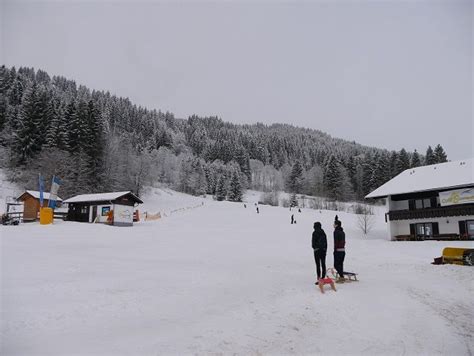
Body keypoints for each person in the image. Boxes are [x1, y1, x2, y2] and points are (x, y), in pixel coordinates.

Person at [333, 215, 346, 283]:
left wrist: (335, 250)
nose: (333, 225)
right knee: (340, 264)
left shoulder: (336, 232)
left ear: (337, 225)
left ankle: (341, 277)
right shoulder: (342, 232)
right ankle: (341, 276)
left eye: (334, 224)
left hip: (338, 250)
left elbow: (336, 242)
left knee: (336, 265)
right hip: (343, 250)